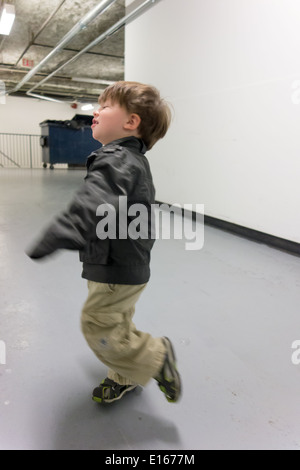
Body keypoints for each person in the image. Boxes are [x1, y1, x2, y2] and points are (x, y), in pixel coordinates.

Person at [26, 81, 182, 404]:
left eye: (105, 106)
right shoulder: (131, 159)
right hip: (127, 263)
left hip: (114, 267)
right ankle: (123, 377)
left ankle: (156, 355)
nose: (95, 112)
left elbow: (94, 202)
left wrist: (62, 231)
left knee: (97, 325)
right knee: (117, 322)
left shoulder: (117, 159)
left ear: (131, 122)